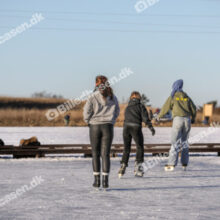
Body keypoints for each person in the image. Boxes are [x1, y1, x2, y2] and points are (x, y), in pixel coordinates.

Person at [83, 75, 120, 189]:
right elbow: (117, 111)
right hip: (108, 127)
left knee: (95, 153)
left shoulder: (92, 97)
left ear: (96, 84)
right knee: (105, 154)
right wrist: (111, 121)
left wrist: (88, 121)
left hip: (94, 126)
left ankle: (96, 180)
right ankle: (105, 181)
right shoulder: (113, 97)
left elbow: (86, 112)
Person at [158, 79, 197, 171]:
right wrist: (193, 118)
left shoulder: (173, 96)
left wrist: (159, 116)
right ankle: (184, 163)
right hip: (187, 120)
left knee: (174, 142)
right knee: (185, 142)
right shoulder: (186, 96)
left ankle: (171, 164)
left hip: (177, 120)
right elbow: (194, 108)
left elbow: (165, 107)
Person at [118, 91, 155, 178]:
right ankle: (138, 167)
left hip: (126, 128)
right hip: (136, 127)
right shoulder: (141, 106)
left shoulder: (128, 107)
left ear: (131, 98)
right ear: (139, 98)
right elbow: (145, 119)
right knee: (139, 147)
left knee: (126, 148)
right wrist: (151, 127)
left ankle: (123, 166)